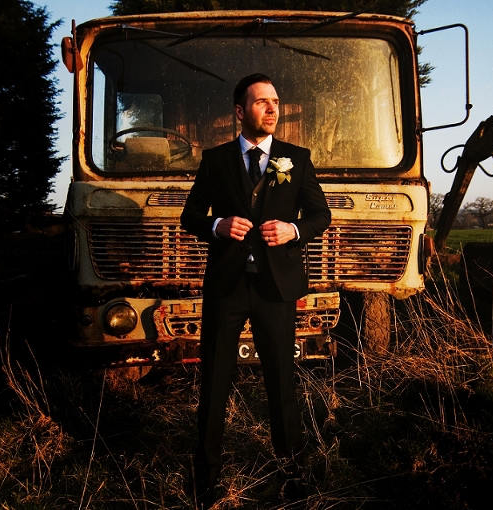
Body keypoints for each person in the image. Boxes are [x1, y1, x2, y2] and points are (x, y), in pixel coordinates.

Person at [180, 73, 331, 507]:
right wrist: (216, 225)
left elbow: (320, 215)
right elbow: (190, 216)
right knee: (215, 383)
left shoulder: (296, 159)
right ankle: (206, 480)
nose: (272, 108)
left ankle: (293, 472)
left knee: (281, 381)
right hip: (226, 288)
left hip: (276, 289)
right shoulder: (215, 160)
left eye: (276, 101)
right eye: (261, 101)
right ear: (239, 111)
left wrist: (293, 229)